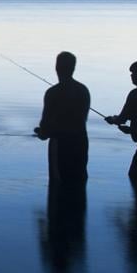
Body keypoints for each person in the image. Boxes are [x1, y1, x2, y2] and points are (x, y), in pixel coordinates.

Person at [34, 51, 91, 183]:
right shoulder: (83, 90)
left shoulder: (52, 93)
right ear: (73, 68)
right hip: (81, 142)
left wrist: (41, 133)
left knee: (59, 183)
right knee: (79, 180)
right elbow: (81, 119)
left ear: (57, 67)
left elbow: (45, 129)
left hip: (60, 145)